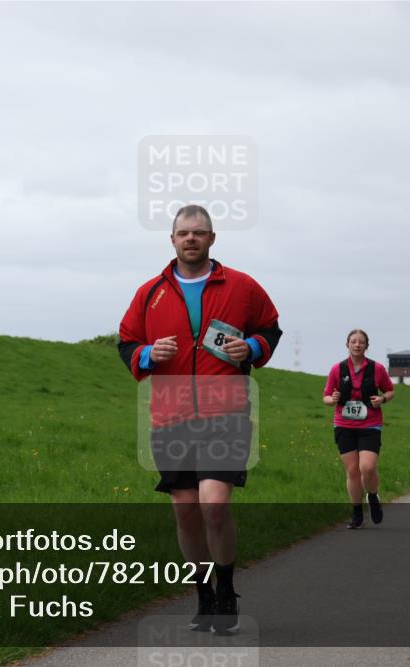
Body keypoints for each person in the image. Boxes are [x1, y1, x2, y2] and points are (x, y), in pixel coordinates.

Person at [118, 204, 281, 635]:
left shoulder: (243, 286)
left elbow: (270, 328)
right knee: (185, 510)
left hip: (224, 411)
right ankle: (203, 595)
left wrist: (254, 348)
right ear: (172, 240)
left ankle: (226, 592)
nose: (190, 238)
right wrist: (149, 354)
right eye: (183, 233)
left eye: (199, 232)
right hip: (170, 415)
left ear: (212, 239)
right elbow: (127, 342)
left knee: (214, 502)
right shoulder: (149, 292)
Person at [323, 329, 394, 529]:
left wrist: (382, 399)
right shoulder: (337, 369)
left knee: (367, 468)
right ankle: (357, 514)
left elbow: (390, 390)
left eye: (361, 342)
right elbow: (326, 396)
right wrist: (332, 400)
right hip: (344, 425)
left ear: (366, 345)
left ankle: (372, 496)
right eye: (353, 341)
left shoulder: (377, 369)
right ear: (347, 344)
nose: (357, 344)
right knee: (353, 471)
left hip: (370, 424)